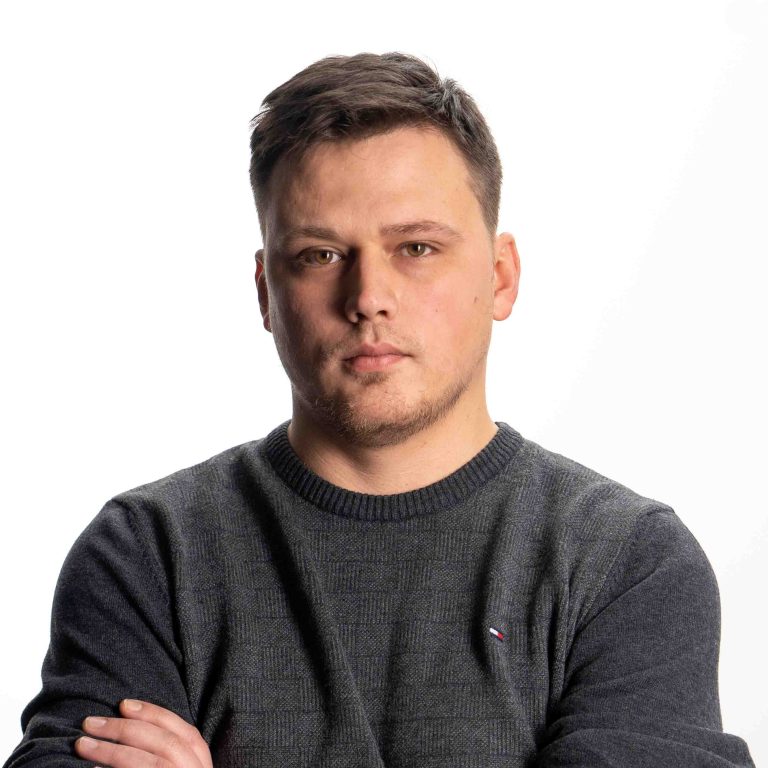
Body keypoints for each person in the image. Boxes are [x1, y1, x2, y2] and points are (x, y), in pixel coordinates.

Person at [4, 52, 754, 768]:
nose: (368, 298)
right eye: (320, 255)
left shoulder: (625, 562)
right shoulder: (148, 556)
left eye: (416, 248)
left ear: (500, 276)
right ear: (266, 293)